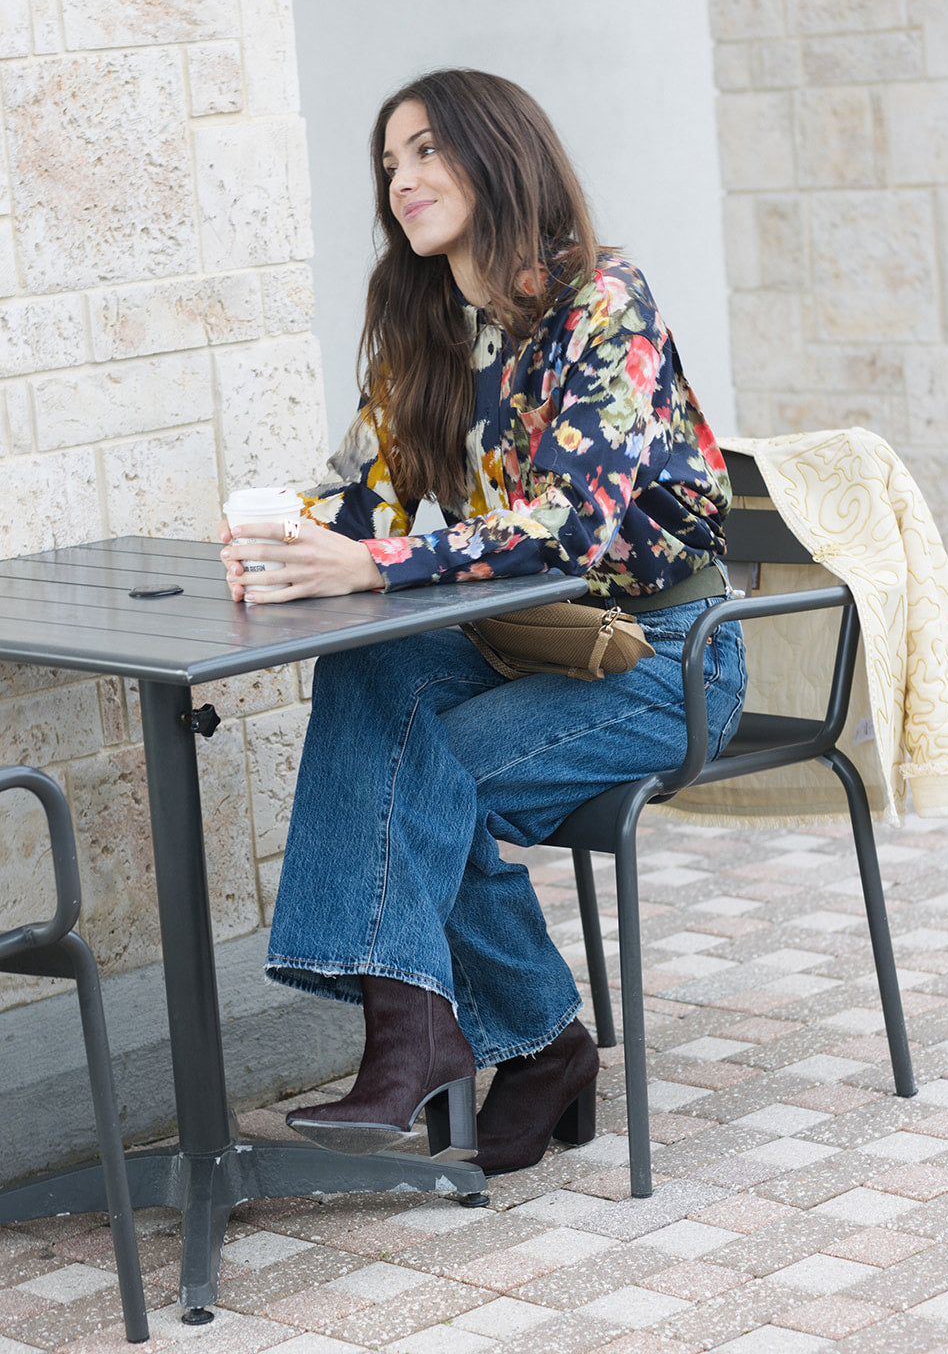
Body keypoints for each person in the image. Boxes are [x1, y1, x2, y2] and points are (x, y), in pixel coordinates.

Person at [220, 69, 746, 1177]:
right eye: (388, 162)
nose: (401, 179)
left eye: (425, 151)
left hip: (660, 659)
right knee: (369, 677)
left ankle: (498, 1041)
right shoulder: (424, 321)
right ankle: (459, 1036)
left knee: (415, 775)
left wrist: (370, 562)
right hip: (525, 648)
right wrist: (280, 542)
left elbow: (568, 525)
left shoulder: (604, 300)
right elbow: (360, 497)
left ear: (497, 154)